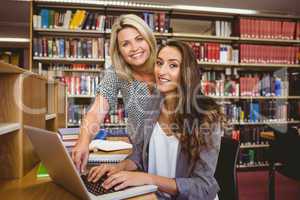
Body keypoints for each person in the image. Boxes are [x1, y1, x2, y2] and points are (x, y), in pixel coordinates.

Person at [87, 40, 224, 200]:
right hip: (155, 196)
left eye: (172, 65)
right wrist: (119, 167)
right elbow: (139, 155)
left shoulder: (206, 117)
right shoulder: (151, 103)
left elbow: (203, 188)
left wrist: (149, 179)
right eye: (159, 63)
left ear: (187, 72)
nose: (161, 71)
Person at [71, 14, 157, 173]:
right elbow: (97, 111)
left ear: (149, 39)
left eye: (139, 39)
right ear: (119, 50)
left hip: (174, 157)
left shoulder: (165, 65)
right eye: (126, 44)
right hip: (139, 159)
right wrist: (84, 141)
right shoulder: (117, 72)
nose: (134, 48)